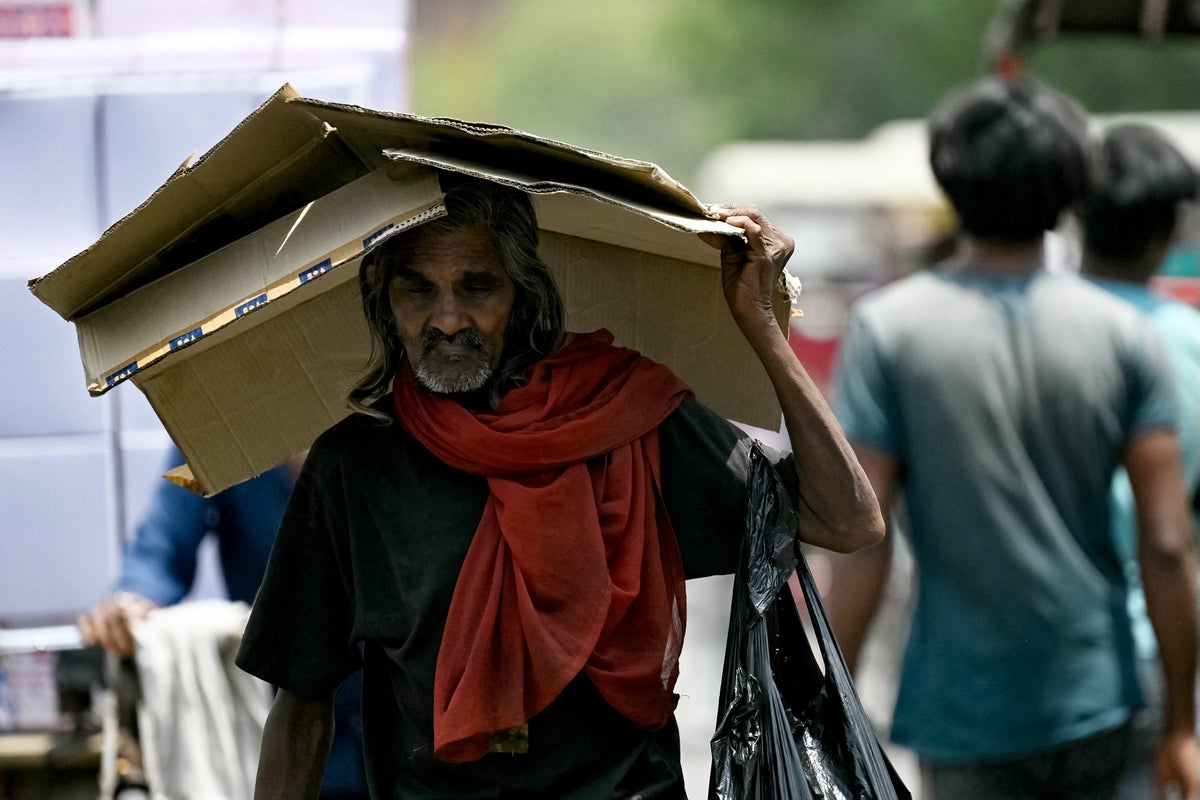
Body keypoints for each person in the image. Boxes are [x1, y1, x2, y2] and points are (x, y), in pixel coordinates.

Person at [233, 175, 885, 799]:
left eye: (477, 287)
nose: (449, 319)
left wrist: (762, 328)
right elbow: (301, 703)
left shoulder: (623, 418)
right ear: (383, 298)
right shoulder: (355, 464)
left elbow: (846, 521)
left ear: (521, 294)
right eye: (419, 291)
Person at [825, 75, 1199, 800]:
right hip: (1105, 694)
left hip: (963, 701)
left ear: (949, 177)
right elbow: (1167, 543)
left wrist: (831, 699)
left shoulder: (890, 329)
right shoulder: (1125, 334)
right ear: (1071, 189)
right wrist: (1183, 722)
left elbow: (864, 535)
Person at [77, 446, 368, 799]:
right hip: (276, 721)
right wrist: (131, 601)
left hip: (397, 724)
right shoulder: (217, 434)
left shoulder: (398, 419)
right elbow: (162, 542)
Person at [1078, 122, 1200, 798]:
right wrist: (1184, 721)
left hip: (1018, 665)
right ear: (1173, 227)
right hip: (1151, 653)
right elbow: (1171, 539)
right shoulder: (1190, 340)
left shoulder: (1033, 326)